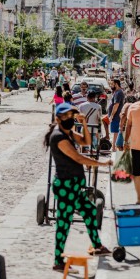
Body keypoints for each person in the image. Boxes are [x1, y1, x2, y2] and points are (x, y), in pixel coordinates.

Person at [44, 103, 112, 270]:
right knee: (64, 222)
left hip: (73, 186)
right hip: (66, 186)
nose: (69, 120)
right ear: (58, 119)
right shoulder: (58, 136)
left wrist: (83, 124)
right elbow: (78, 158)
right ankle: (58, 261)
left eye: (71, 116)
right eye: (66, 117)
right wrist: (102, 163)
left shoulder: (68, 133)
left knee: (89, 211)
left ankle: (97, 246)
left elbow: (86, 142)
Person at [108, 79, 125, 147]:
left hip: (116, 116)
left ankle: (114, 147)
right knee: (115, 131)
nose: (111, 86)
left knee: (116, 131)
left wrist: (112, 115)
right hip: (115, 115)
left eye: (112, 84)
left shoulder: (119, 93)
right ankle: (114, 146)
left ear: (116, 84)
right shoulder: (116, 92)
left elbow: (116, 105)